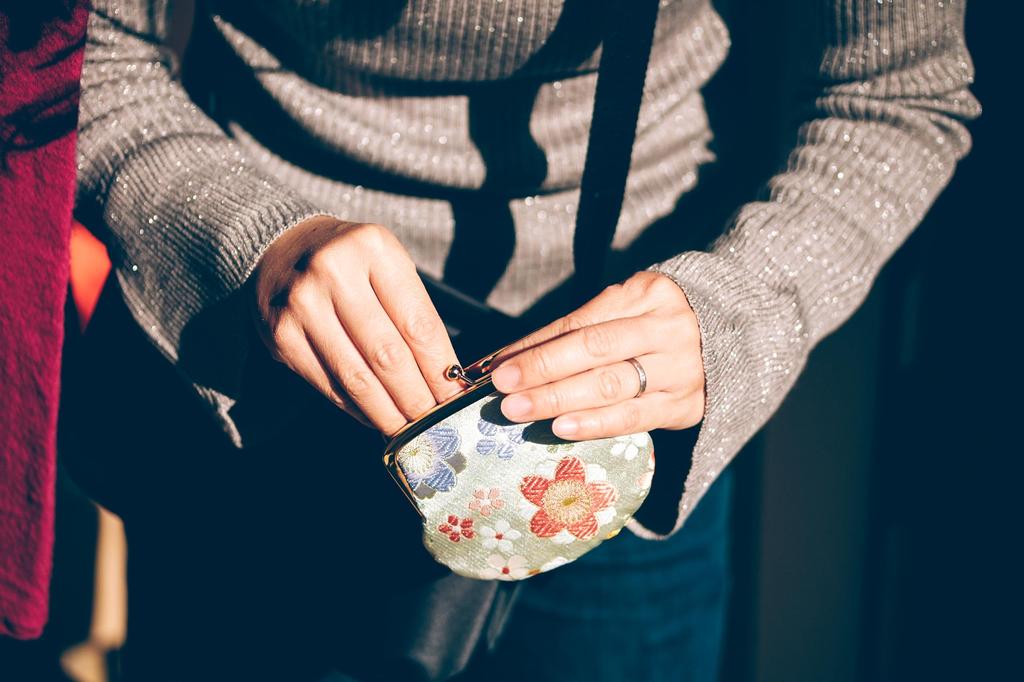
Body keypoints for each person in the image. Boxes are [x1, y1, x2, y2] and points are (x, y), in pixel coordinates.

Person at [68, 0, 980, 680]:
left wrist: (738, 312)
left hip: (627, 424)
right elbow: (79, 52)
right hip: (267, 397)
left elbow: (898, 90)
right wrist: (245, 239)